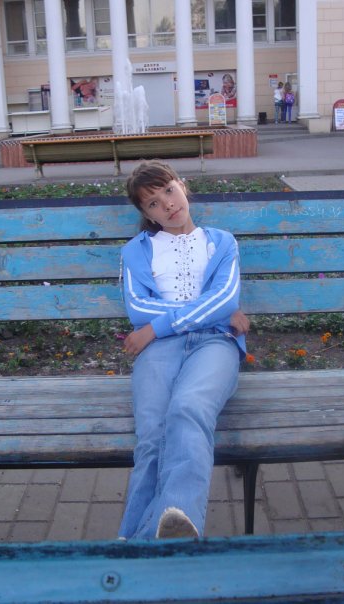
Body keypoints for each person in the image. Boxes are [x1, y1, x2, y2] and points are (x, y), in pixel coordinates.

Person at [118, 160, 249, 540]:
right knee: (152, 437)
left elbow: (226, 298)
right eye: (153, 203)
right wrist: (212, 310)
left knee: (189, 408)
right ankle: (149, 537)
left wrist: (157, 327)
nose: (167, 204)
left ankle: (152, 533)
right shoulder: (135, 252)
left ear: (182, 186)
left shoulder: (221, 242)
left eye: (168, 191)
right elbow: (137, 308)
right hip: (159, 349)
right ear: (148, 215)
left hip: (215, 343)